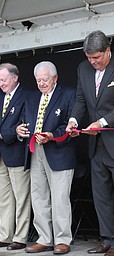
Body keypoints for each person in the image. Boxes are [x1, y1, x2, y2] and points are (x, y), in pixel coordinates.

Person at [65, 30, 114, 256]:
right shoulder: (83, 69)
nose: (93, 62)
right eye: (89, 58)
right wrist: (73, 120)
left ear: (108, 50)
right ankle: (107, 238)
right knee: (101, 195)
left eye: (97, 57)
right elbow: (80, 100)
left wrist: (102, 122)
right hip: (96, 144)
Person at [16, 61, 77, 254]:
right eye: (38, 80)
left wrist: (52, 135)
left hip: (59, 151)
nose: (41, 83)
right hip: (35, 152)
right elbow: (24, 121)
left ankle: (62, 240)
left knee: (60, 199)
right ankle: (44, 238)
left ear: (55, 78)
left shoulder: (68, 94)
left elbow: (70, 124)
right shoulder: (32, 98)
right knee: (39, 197)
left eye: (45, 79)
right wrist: (20, 130)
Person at [0, 63, 31, 251]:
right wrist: (8, 132)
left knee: (21, 198)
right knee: (4, 197)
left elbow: (24, 126)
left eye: (3, 80)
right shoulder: (1, 96)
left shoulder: (27, 96)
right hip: (1, 154)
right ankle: (5, 235)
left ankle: (20, 237)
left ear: (15, 78)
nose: (0, 83)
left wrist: (6, 133)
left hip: (17, 153)